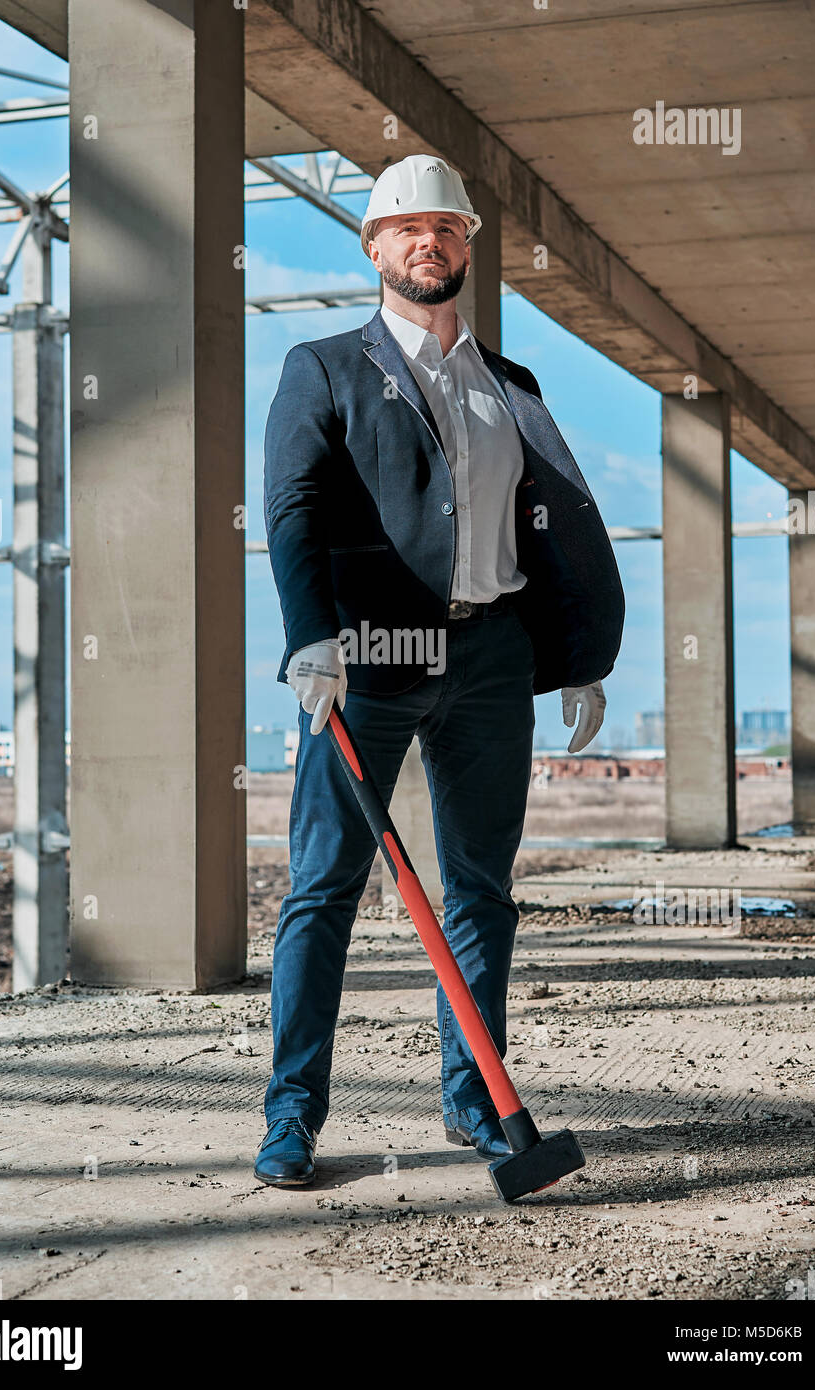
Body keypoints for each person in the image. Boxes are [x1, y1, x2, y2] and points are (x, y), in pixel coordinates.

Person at [257, 153, 624, 1187]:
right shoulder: (321, 369)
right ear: (375, 248)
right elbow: (291, 512)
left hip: (494, 656)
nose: (429, 243)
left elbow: (547, 528)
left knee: (479, 892)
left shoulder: (514, 387)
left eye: (447, 227)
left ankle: (476, 1102)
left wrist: (579, 654)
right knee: (323, 889)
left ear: (468, 244)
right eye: (406, 228)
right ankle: (292, 1117)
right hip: (367, 658)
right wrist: (308, 635)